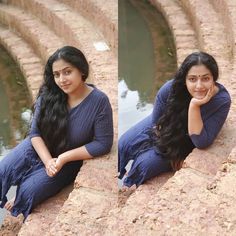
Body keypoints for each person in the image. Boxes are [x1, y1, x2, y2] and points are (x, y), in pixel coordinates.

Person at [0, 46, 113, 219]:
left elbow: (103, 143)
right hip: (39, 146)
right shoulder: (49, 93)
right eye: (57, 74)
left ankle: (21, 191)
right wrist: (47, 161)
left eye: (67, 72)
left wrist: (63, 158)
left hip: (68, 159)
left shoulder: (99, 101)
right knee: (3, 170)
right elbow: (35, 133)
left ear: (81, 70)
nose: (62, 80)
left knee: (29, 192)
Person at [118, 52, 231, 188]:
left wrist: (194, 105)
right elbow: (156, 125)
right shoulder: (170, 89)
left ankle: (128, 183)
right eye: (192, 79)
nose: (199, 86)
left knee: (144, 165)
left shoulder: (221, 101)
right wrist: (165, 139)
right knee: (123, 144)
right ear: (185, 79)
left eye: (205, 79)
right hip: (165, 125)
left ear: (214, 79)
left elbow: (201, 142)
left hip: (186, 141)